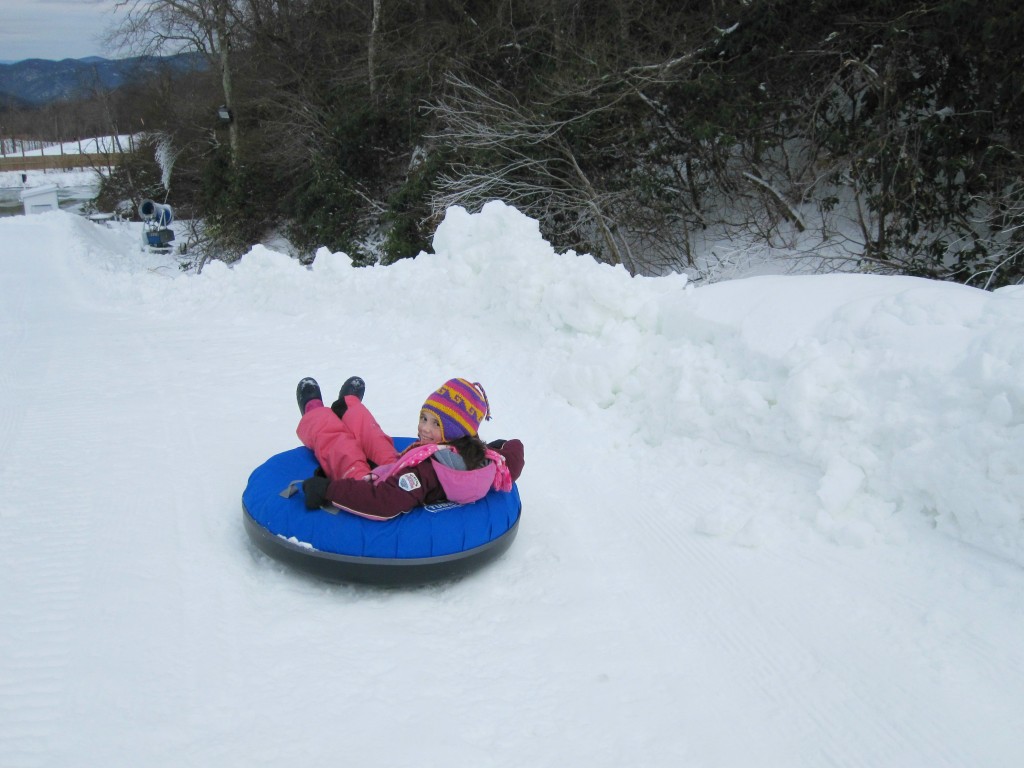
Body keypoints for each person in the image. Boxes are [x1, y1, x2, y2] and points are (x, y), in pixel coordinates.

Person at [294, 376, 525, 520]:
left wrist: (327, 490)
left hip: (372, 483)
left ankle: (315, 412)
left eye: (436, 424)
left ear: (457, 433)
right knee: (380, 444)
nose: (424, 428)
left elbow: (382, 503)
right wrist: (499, 447)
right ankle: (347, 407)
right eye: (424, 418)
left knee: (344, 450)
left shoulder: (426, 471)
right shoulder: (490, 462)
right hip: (397, 467)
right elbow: (515, 456)